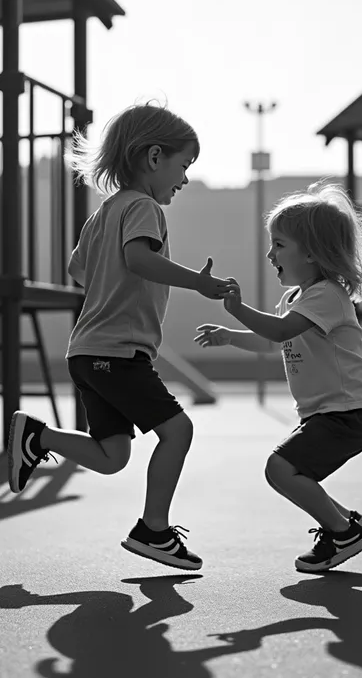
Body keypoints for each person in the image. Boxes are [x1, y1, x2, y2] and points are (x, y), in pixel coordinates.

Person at [8, 102, 233, 572]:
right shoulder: (145, 207)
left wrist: (113, 286)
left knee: (113, 456)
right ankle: (153, 529)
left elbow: (77, 269)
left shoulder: (104, 212)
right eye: (184, 165)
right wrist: (198, 282)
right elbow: (138, 260)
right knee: (178, 430)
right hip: (117, 354)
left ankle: (38, 435)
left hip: (87, 352)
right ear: (154, 157)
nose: (186, 179)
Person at [195, 181, 362, 573]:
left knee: (280, 469)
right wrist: (231, 337)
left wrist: (236, 311)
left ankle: (343, 532)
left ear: (311, 252)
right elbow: (271, 340)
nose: (271, 254)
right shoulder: (298, 299)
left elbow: (280, 332)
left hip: (347, 414)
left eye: (279, 245)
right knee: (291, 471)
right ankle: (346, 522)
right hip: (329, 414)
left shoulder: (327, 295)